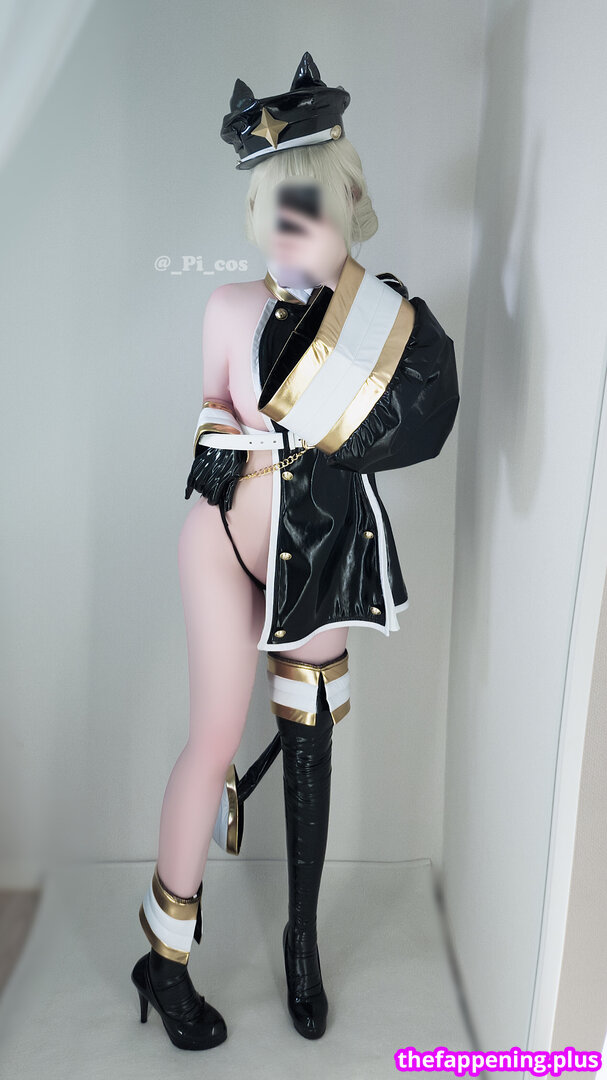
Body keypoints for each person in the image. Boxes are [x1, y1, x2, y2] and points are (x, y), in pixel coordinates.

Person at [130, 51, 460, 1049]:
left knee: (310, 751)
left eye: (308, 204)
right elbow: (208, 418)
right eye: (275, 206)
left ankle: (301, 943)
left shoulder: (383, 319)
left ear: (347, 205)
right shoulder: (225, 307)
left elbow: (419, 415)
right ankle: (163, 958)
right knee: (212, 740)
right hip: (221, 549)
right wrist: (234, 446)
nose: (289, 225)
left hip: (318, 556)